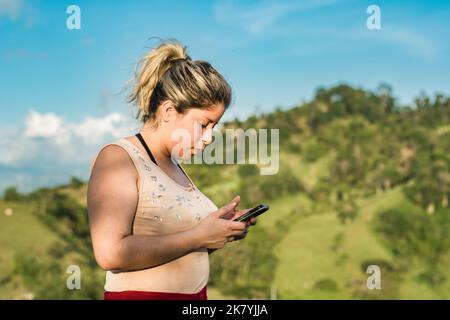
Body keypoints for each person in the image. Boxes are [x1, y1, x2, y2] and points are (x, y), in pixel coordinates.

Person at [87, 40, 257, 300]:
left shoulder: (175, 166)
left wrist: (219, 232)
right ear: (168, 111)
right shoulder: (118, 158)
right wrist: (199, 236)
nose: (210, 137)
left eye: (215, 126)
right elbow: (110, 253)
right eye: (204, 124)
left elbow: (176, 249)